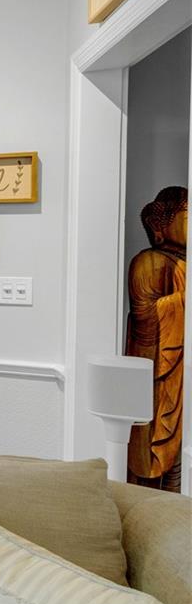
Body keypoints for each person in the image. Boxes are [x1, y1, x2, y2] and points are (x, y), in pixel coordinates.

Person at [125, 186, 186, 492]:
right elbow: (145, 318)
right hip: (159, 364)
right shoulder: (149, 261)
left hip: (181, 365)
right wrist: (184, 299)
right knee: (153, 446)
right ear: (163, 225)